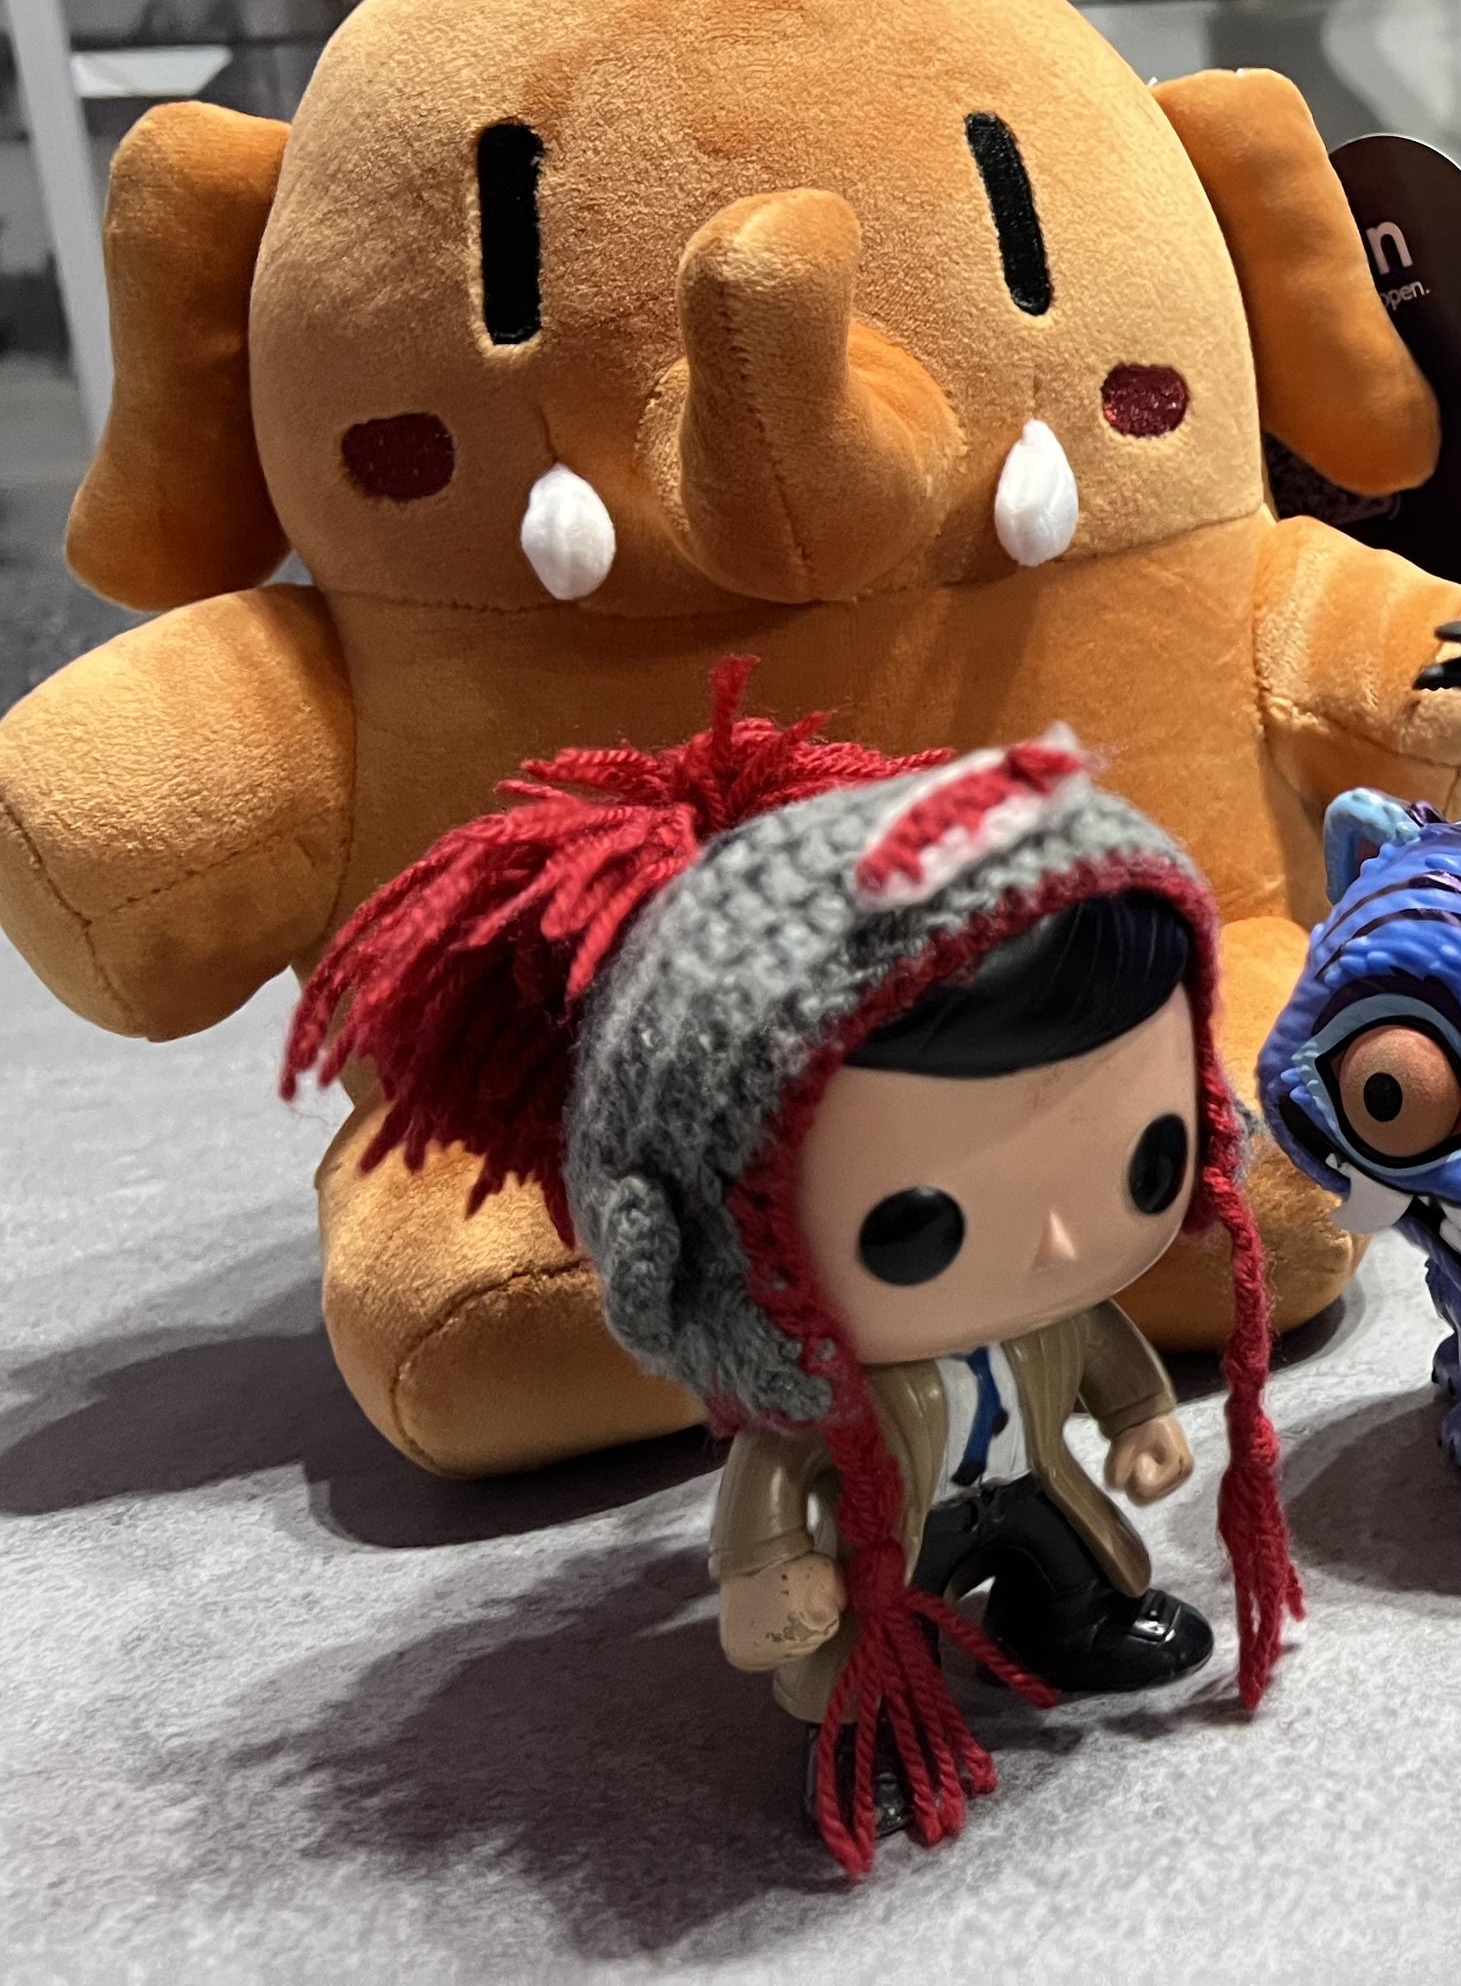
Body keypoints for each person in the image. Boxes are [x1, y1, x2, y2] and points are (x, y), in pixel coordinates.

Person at [286, 665, 1299, 1872]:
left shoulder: (1056, 1312)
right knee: (870, 1640)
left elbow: (1098, 1349)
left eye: (1149, 1161)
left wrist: (1139, 1417)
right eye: (916, 1222)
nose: (1061, 1245)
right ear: (718, 1233)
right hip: (885, 1527)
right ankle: (882, 1728)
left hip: (1033, 1484)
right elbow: (769, 1486)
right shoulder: (821, 1389)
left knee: (1078, 1555)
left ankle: (1073, 1622)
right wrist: (770, 1579)